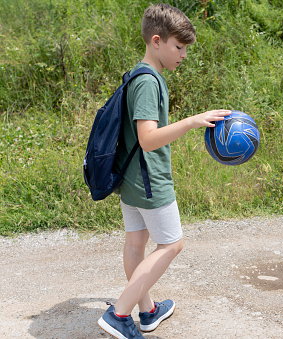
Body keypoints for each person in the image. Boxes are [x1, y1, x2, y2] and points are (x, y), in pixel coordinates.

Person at [97, 4, 230, 339]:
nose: (183, 55)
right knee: (172, 245)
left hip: (130, 182)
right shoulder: (148, 82)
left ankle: (148, 311)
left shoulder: (137, 74)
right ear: (157, 41)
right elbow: (148, 138)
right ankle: (119, 313)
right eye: (179, 47)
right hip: (149, 182)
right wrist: (192, 121)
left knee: (135, 245)